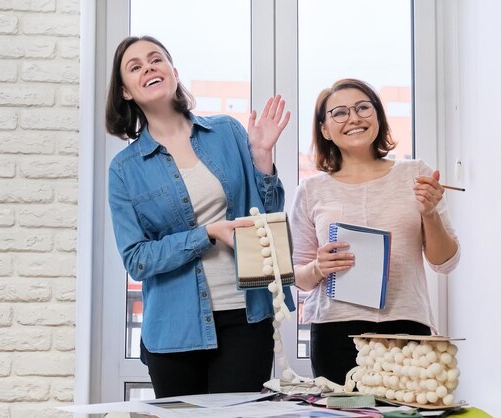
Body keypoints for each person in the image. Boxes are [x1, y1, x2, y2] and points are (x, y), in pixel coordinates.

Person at [105, 35, 295, 397]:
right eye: (135, 66)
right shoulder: (124, 169)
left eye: (156, 59)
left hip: (246, 315)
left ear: (173, 72)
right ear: (126, 91)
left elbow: (267, 217)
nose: (148, 67)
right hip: (174, 330)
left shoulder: (226, 132)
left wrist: (262, 158)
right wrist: (206, 234)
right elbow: (137, 260)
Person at [290, 78, 460, 385]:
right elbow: (296, 276)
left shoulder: (415, 174)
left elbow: (445, 262)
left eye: (363, 107)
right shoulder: (311, 190)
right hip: (335, 330)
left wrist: (430, 214)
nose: (354, 118)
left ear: (378, 117)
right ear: (325, 129)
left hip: (406, 325)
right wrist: (318, 268)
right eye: (339, 113)